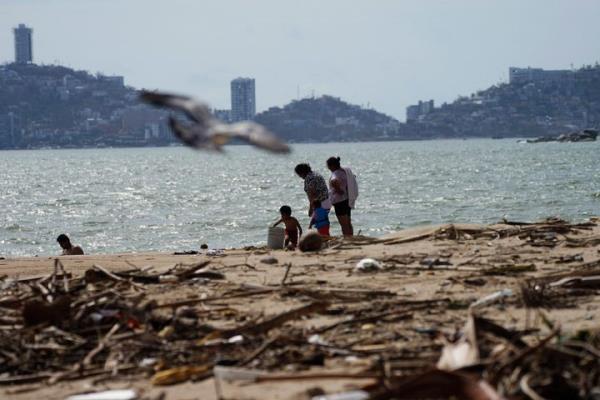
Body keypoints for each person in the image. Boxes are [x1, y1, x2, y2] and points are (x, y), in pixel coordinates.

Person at [327, 156, 353, 236]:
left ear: (332, 166)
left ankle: (347, 239)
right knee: (348, 222)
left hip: (339, 201)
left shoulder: (335, 173)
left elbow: (334, 181)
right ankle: (351, 238)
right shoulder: (344, 172)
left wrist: (339, 190)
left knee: (343, 224)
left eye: (328, 166)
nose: (328, 168)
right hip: (346, 199)